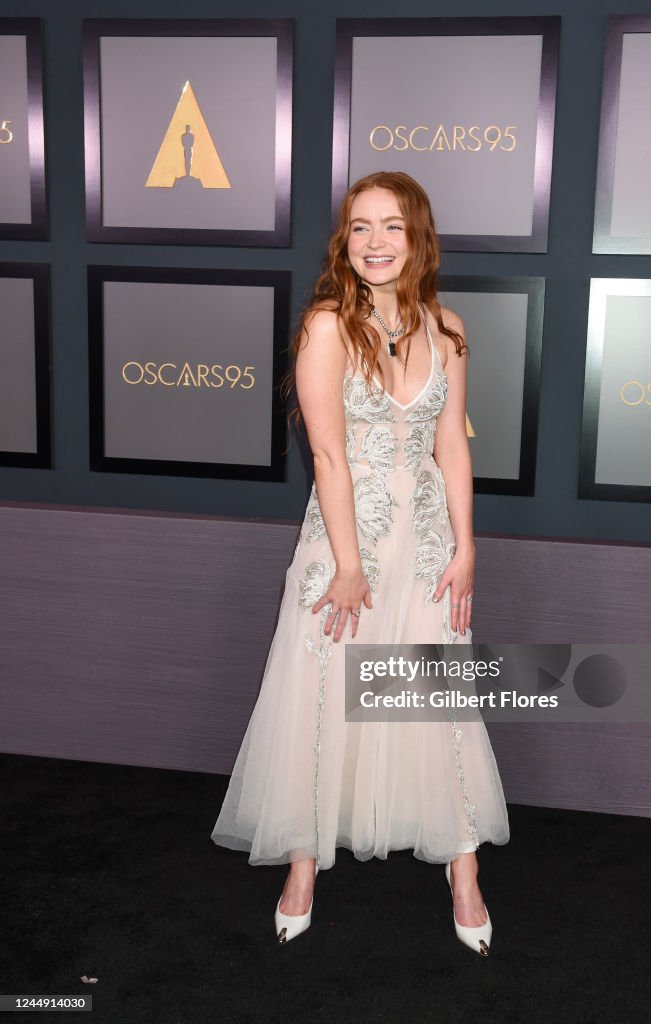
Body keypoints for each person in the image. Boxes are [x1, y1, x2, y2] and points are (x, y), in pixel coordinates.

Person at [211, 171, 510, 956]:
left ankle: (464, 873)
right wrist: (347, 564)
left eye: (391, 227)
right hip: (346, 536)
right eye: (359, 227)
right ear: (344, 241)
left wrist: (467, 546)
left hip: (427, 541)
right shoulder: (325, 327)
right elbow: (327, 455)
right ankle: (302, 868)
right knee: (319, 692)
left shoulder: (447, 328)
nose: (374, 242)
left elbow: (451, 447)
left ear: (418, 238)